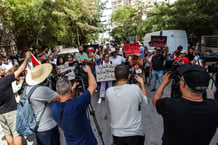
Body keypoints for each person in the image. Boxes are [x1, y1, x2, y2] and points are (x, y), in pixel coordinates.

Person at [152, 64, 218, 145]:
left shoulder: (170, 106)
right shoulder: (214, 107)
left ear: (182, 84)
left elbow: (156, 99)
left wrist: (163, 83)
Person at [51, 65, 98, 145]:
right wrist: (89, 72)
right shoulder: (77, 104)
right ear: (70, 89)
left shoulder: (54, 108)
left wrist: (72, 88)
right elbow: (93, 86)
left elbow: (63, 98)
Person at [106, 64, 147, 145]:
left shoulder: (108, 91)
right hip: (135, 133)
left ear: (115, 77)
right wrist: (142, 83)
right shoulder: (135, 88)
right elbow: (145, 102)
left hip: (117, 134)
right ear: (128, 76)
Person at [25, 63, 60, 145]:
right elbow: (60, 98)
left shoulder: (27, 89)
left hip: (39, 127)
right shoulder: (41, 90)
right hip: (48, 127)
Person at [0, 51, 31, 145]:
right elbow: (20, 69)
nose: (3, 70)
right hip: (11, 111)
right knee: (16, 133)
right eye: (0, 69)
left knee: (7, 133)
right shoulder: (4, 81)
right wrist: (27, 58)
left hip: (1, 113)